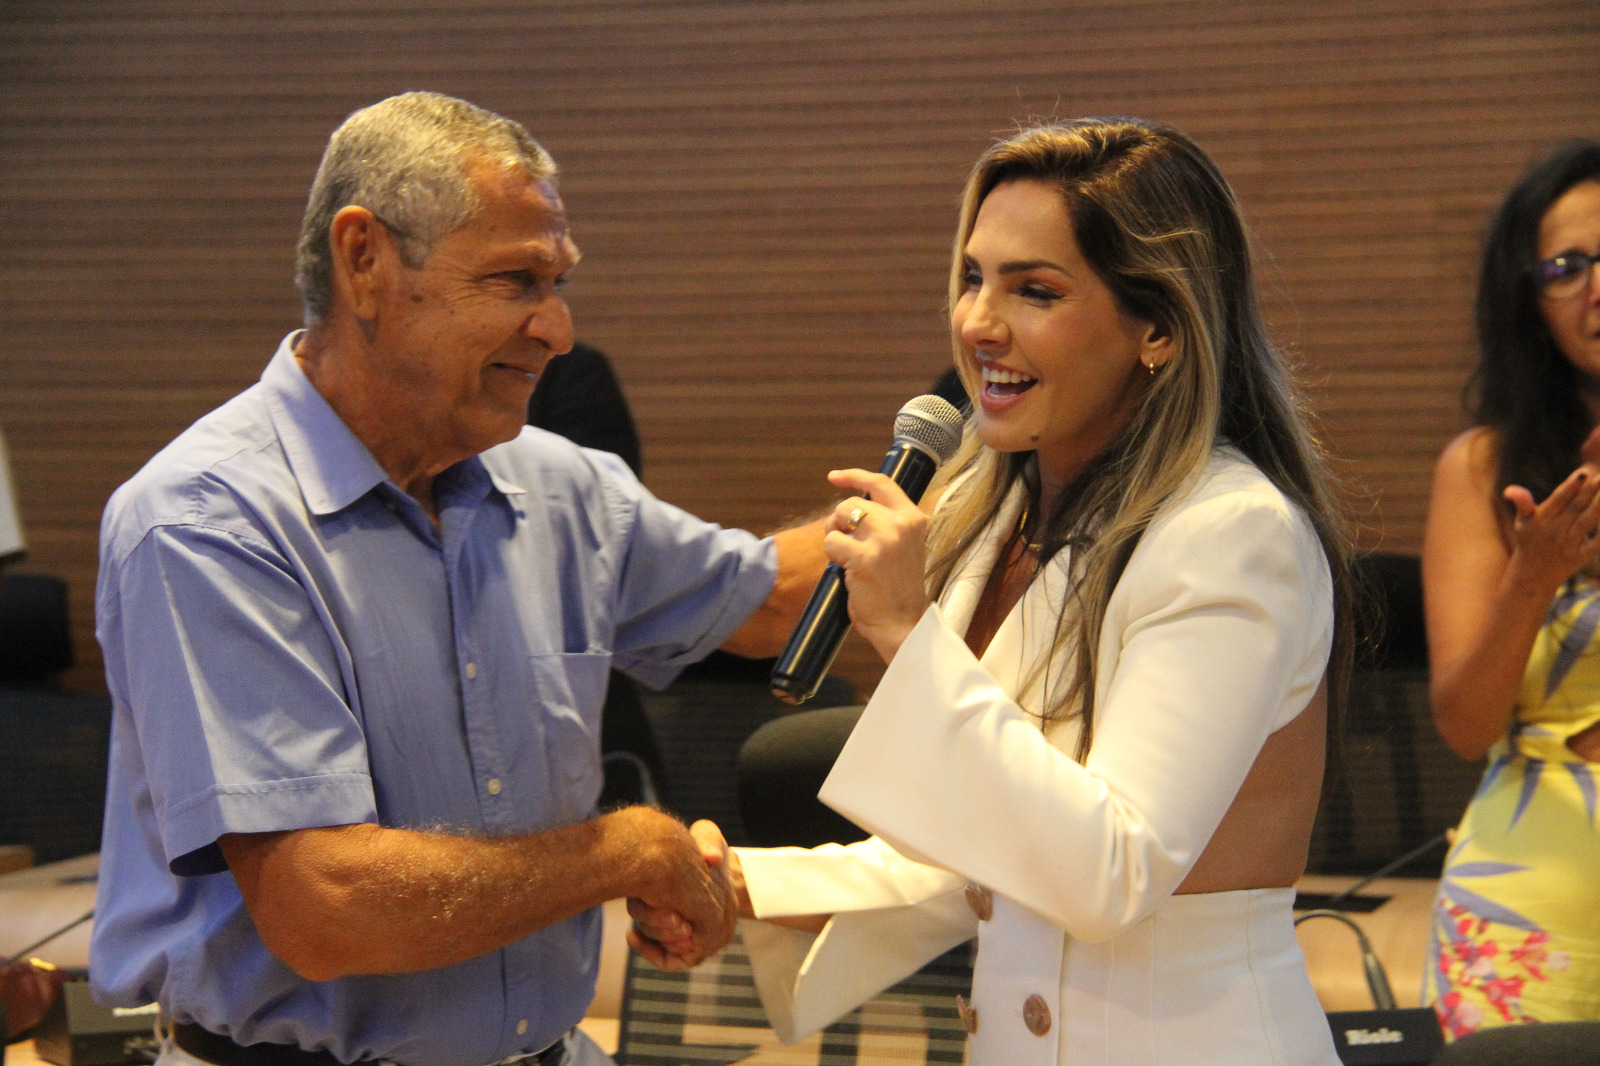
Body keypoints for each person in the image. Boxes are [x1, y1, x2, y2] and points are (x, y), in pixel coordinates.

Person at [90, 91, 822, 1066]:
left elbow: (779, 601)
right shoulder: (206, 521)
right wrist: (626, 851)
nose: (558, 328)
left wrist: (1005, 467)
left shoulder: (558, 486)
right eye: (517, 281)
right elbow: (326, 904)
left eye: (558, 282)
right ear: (364, 260)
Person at [662, 118, 1355, 1065]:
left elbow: (1109, 872)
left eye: (1035, 290)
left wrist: (907, 629)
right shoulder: (994, 513)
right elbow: (989, 847)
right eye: (973, 278)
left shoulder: (1231, 533)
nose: (978, 323)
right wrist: (739, 885)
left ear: (1159, 327)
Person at [1420, 139, 1600, 1038]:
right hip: (1526, 929)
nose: (1598, 288)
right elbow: (1465, 727)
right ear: (1530, 302)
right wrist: (1534, 577)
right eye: (1567, 268)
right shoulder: (1484, 470)